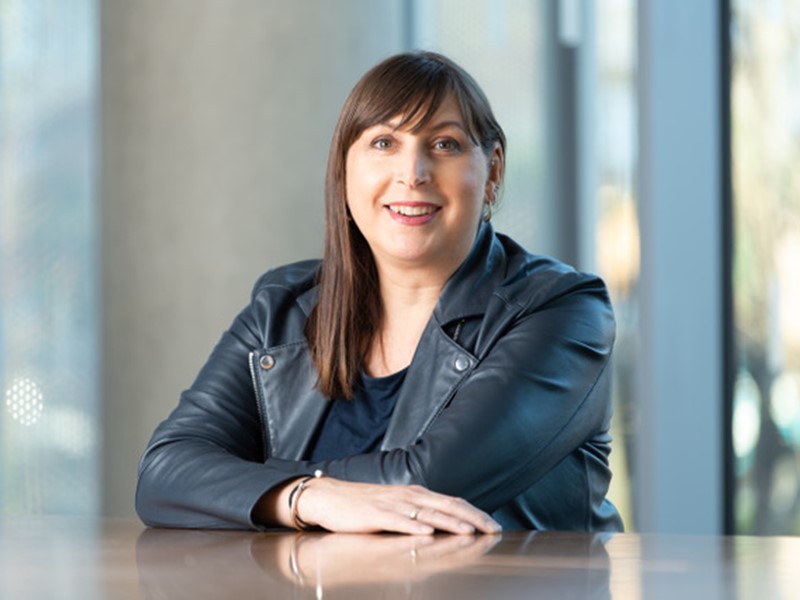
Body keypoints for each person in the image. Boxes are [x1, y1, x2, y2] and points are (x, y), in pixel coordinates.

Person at [135, 51, 623, 534]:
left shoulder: (562, 312)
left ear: (492, 170)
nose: (412, 173)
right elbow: (165, 470)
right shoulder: (283, 307)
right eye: (385, 142)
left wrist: (253, 489)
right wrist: (309, 496)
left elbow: (429, 484)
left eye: (446, 144)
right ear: (345, 171)